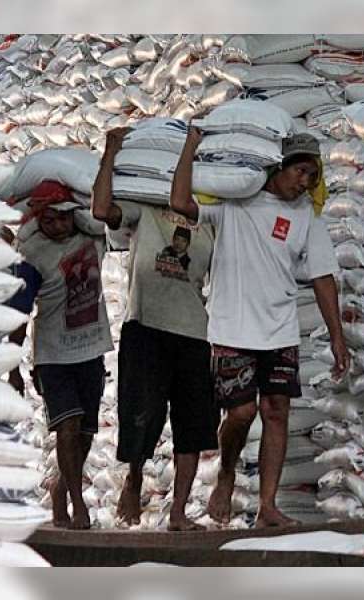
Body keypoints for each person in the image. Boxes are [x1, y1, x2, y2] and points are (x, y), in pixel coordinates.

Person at [170, 128, 351, 528]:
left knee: (276, 412)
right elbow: (180, 202)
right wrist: (191, 146)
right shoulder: (234, 202)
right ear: (278, 167)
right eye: (300, 171)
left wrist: (337, 337)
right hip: (231, 327)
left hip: (281, 330)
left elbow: (322, 277)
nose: (305, 182)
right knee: (240, 412)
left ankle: (267, 505)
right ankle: (227, 472)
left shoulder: (306, 215)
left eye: (312, 176)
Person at [92, 127, 219, 531]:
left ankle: (178, 512)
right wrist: (111, 152)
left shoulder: (210, 221)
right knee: (140, 416)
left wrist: (193, 149)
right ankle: (133, 477)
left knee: (194, 425)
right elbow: (100, 210)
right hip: (145, 327)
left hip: (194, 332)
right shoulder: (144, 209)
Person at [5, 180, 113, 530]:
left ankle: (60, 488)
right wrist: (13, 368)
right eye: (48, 221)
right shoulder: (32, 256)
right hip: (53, 356)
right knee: (66, 428)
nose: (57, 227)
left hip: (91, 351)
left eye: (63, 219)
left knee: (84, 433)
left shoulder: (93, 238)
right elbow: (20, 314)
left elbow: (106, 214)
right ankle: (76, 504)